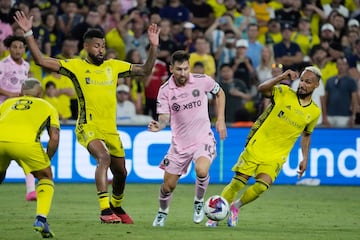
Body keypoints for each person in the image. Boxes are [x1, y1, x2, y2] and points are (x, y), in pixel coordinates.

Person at [14, 10, 160, 224]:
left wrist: (154, 45)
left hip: (110, 128)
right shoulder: (76, 66)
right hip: (87, 126)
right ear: (86, 47)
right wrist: (28, 33)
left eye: (103, 46)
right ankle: (104, 210)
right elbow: (40, 60)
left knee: (121, 172)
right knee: (104, 158)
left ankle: (116, 206)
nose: (101, 50)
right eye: (96, 46)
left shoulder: (114, 66)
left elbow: (146, 69)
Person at [206, 66, 322, 227]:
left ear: (316, 85)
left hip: (277, 155)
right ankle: (215, 215)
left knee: (261, 187)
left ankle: (235, 207)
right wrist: (282, 77)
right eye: (301, 80)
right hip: (258, 145)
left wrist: (305, 158)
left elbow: (306, 135)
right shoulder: (283, 92)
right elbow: (262, 89)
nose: (302, 84)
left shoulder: (314, 112)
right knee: (238, 183)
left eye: (308, 82)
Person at [148, 50, 227, 227]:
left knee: (201, 170)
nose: (183, 73)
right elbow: (164, 118)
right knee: (167, 186)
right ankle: (162, 211)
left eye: (185, 69)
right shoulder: (165, 90)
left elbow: (220, 93)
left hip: (203, 139)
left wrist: (220, 119)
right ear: (171, 69)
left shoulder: (202, 80)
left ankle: (199, 202)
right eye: (179, 69)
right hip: (179, 145)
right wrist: (159, 126)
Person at [0, 78, 60, 238]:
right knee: (46, 177)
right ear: (40, 93)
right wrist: (48, 159)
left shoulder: (7, 103)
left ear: (21, 92)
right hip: (26, 144)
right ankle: (41, 219)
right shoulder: (47, 106)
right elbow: (54, 137)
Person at [0, 34, 38, 201]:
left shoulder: (26, 65)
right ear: (9, 48)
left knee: (27, 146)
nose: (17, 50)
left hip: (20, 112)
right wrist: (12, 95)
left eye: (21, 47)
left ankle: (31, 190)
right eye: (14, 47)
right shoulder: (3, 65)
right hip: (4, 111)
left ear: (25, 49)